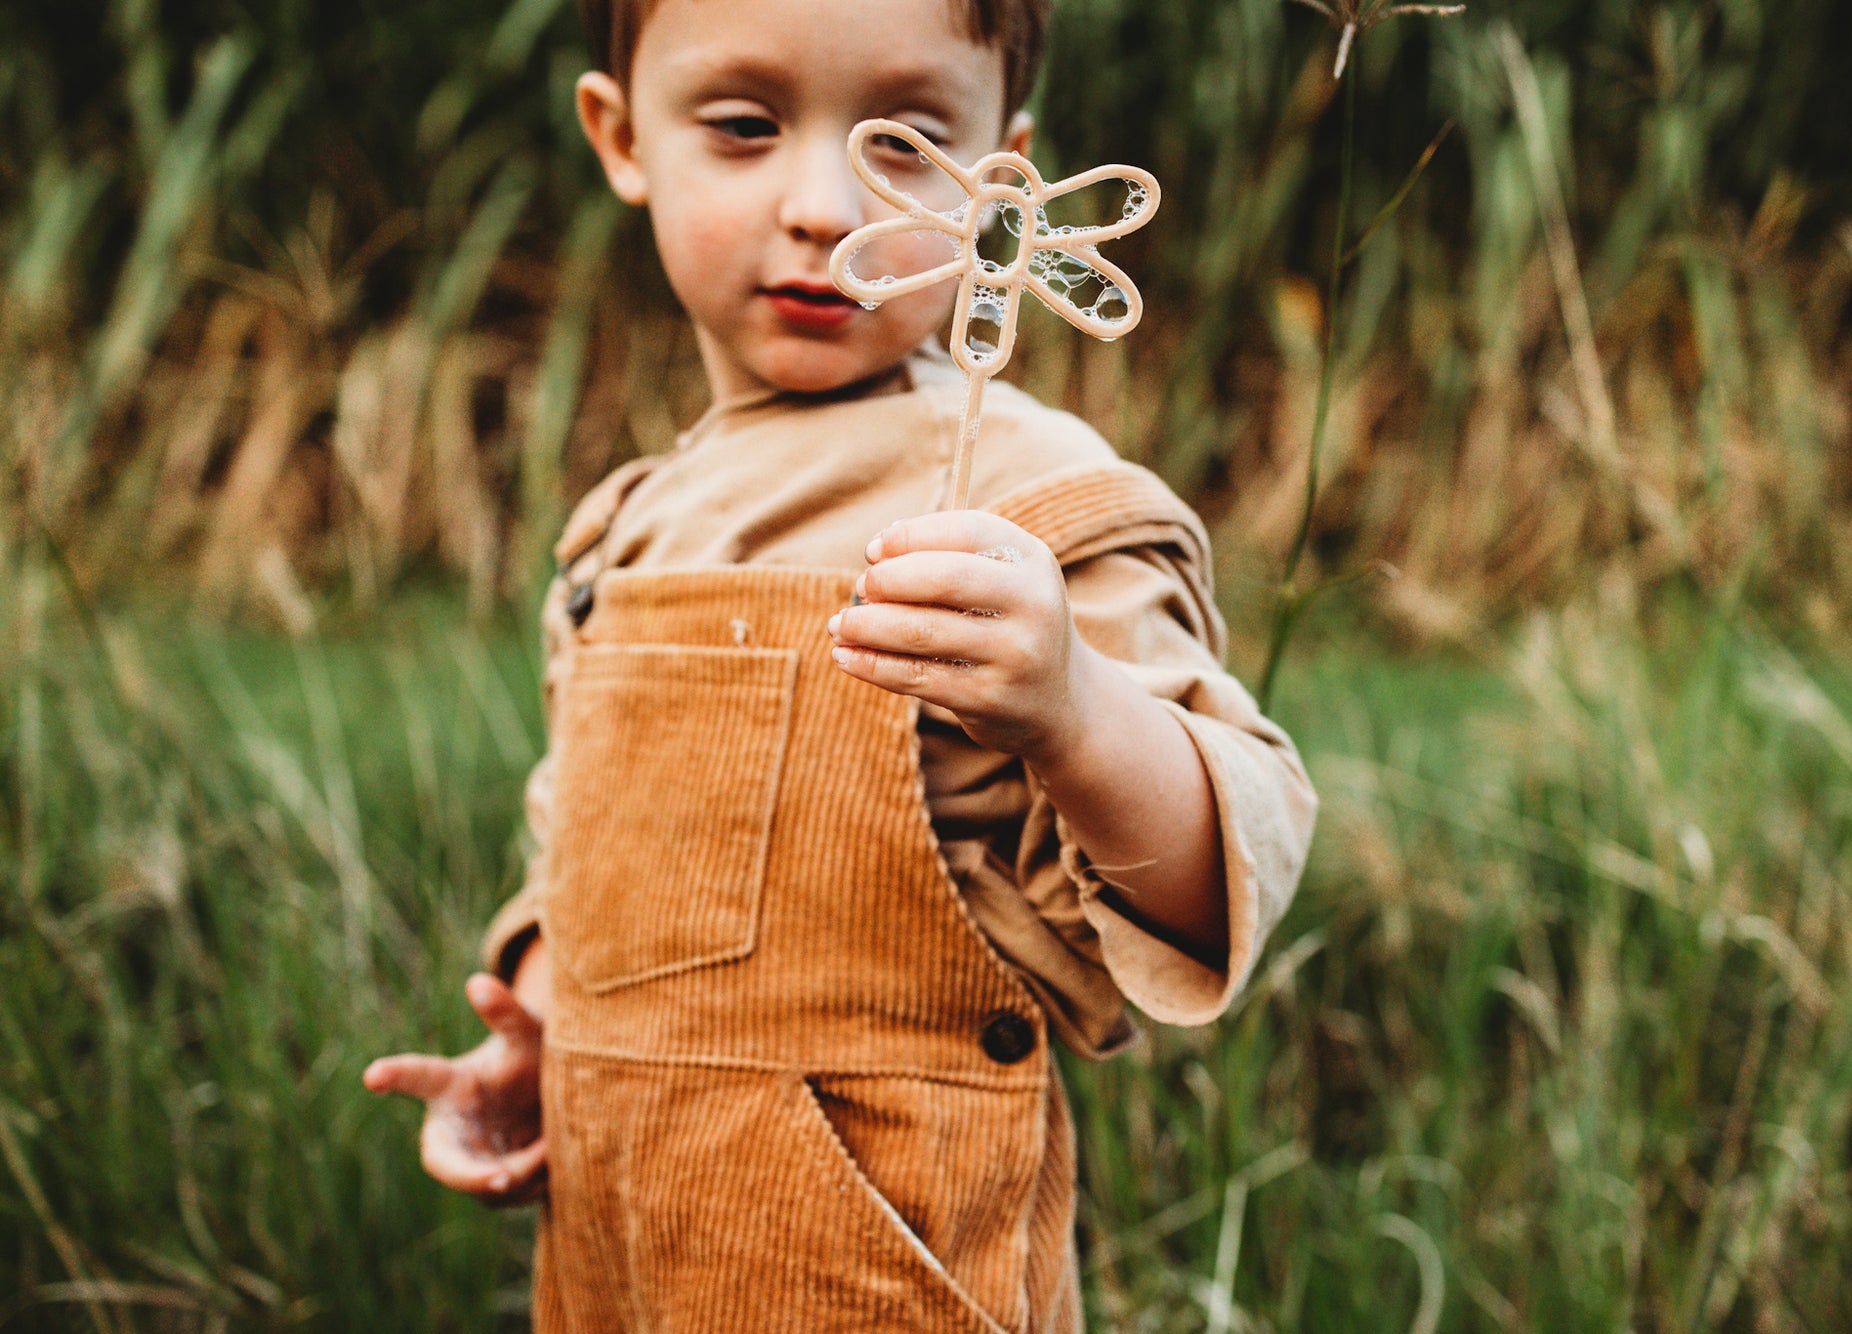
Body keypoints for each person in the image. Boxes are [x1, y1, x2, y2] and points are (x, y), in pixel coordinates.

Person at [364, 0, 1316, 1326]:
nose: (819, 204)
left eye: (908, 143)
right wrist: (539, 1028)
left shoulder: (1033, 505)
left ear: (1009, 175)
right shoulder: (623, 524)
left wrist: (1074, 708)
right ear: (620, 134)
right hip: (626, 1259)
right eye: (745, 127)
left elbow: (1241, 846)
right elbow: (588, 839)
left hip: (887, 1269)